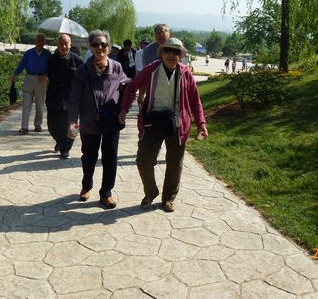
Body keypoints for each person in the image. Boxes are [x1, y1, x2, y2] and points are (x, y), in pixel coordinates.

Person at [119, 37, 208, 213]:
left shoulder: (185, 73)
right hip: (153, 122)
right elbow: (131, 86)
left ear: (180, 55)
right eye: (168, 50)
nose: (171, 54)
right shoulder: (151, 69)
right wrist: (124, 109)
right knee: (143, 160)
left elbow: (195, 100)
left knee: (175, 163)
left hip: (177, 124)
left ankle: (169, 198)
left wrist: (201, 124)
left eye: (175, 51)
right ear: (162, 53)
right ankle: (151, 192)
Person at [68, 30, 130, 209]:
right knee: (89, 156)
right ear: (91, 47)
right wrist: (73, 125)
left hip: (111, 120)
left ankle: (106, 193)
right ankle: (86, 185)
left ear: (109, 48)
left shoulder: (116, 67)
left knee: (110, 157)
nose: (100, 48)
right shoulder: (82, 70)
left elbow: (125, 82)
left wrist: (130, 90)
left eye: (103, 44)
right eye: (96, 44)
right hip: (89, 121)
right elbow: (74, 100)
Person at [46, 34, 83, 159]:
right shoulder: (51, 60)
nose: (64, 46)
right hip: (54, 98)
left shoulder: (77, 60)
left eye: (66, 44)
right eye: (61, 44)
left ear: (70, 45)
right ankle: (60, 141)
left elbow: (83, 80)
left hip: (72, 100)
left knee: (73, 126)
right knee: (52, 126)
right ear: (57, 45)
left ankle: (66, 148)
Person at [12, 33, 51, 134]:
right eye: (38, 40)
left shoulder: (48, 54)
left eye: (42, 40)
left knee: (40, 104)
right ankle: (24, 127)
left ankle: (37, 125)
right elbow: (21, 64)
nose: (40, 42)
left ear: (44, 42)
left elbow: (52, 68)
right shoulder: (28, 53)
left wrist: (46, 75)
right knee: (26, 103)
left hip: (41, 80)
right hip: (29, 78)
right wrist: (15, 74)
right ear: (35, 41)